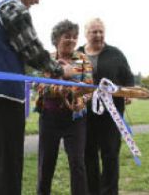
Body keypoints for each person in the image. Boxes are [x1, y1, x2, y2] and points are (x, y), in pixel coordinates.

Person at [0, 0, 71, 194]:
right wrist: (59, 71)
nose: (37, 1)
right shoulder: (12, 8)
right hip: (3, 93)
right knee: (9, 160)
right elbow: (31, 49)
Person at [36, 19, 93, 195]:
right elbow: (41, 87)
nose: (71, 40)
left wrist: (79, 101)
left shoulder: (83, 59)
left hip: (75, 120)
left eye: (75, 37)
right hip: (49, 118)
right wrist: (59, 89)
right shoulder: (47, 60)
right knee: (46, 164)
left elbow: (90, 87)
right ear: (57, 38)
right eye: (67, 37)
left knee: (78, 164)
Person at [78, 18, 135, 195]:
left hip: (111, 115)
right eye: (94, 31)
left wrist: (128, 94)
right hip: (85, 115)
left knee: (110, 156)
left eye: (101, 31)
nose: (98, 35)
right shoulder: (77, 54)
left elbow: (128, 81)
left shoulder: (116, 54)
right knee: (89, 156)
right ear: (86, 33)